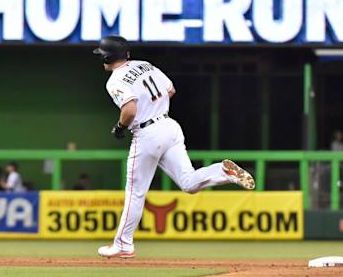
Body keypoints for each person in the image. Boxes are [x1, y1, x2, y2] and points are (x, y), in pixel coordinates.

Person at [94, 35, 255, 258]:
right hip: (169, 125)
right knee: (189, 183)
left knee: (135, 192)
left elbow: (129, 110)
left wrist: (120, 127)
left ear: (108, 56)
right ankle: (222, 171)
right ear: (127, 53)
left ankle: (123, 244)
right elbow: (170, 90)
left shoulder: (115, 80)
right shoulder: (146, 65)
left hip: (147, 133)